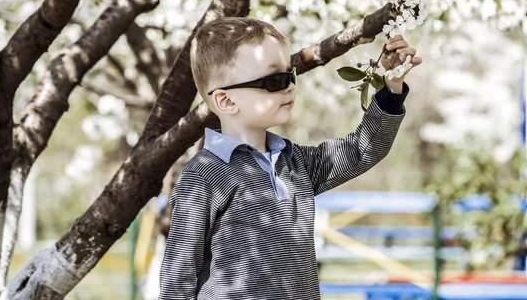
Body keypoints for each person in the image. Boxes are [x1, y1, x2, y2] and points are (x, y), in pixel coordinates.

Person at [158, 16, 421, 299]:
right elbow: (178, 277)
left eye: (290, 74)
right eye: (274, 80)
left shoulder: (295, 162)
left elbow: (361, 150)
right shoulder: (204, 174)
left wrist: (392, 88)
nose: (289, 86)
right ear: (226, 100)